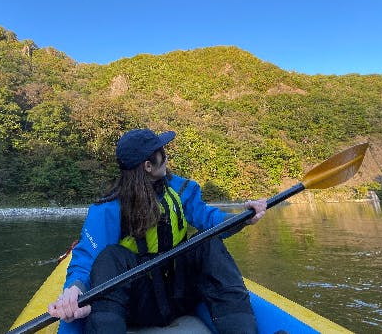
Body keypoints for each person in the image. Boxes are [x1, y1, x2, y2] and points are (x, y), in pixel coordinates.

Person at [48, 128, 267, 334]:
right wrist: (75, 287)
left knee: (207, 241)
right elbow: (88, 256)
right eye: (161, 152)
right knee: (111, 257)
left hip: (180, 292)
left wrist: (242, 218)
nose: (166, 156)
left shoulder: (181, 190)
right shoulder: (110, 207)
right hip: (138, 302)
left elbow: (210, 219)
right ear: (148, 166)